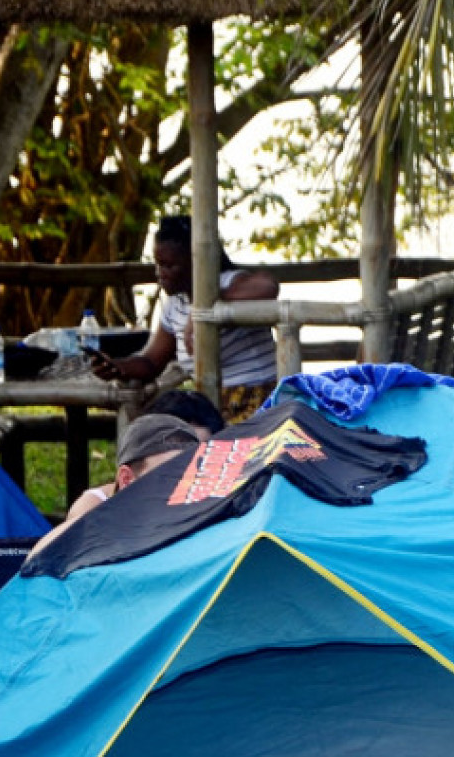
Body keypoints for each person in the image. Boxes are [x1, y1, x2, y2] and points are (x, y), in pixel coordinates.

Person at [90, 216, 278, 405]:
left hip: (259, 398)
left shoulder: (227, 282)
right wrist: (117, 366)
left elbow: (268, 286)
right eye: (157, 264)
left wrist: (201, 306)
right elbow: (151, 362)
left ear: (196, 262)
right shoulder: (175, 305)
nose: (159, 273)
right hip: (211, 400)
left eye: (169, 265)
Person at [25, 413, 203, 559]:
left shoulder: (202, 499)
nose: (180, 487)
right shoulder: (95, 507)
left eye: (190, 476)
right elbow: (40, 557)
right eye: (165, 478)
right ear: (126, 479)